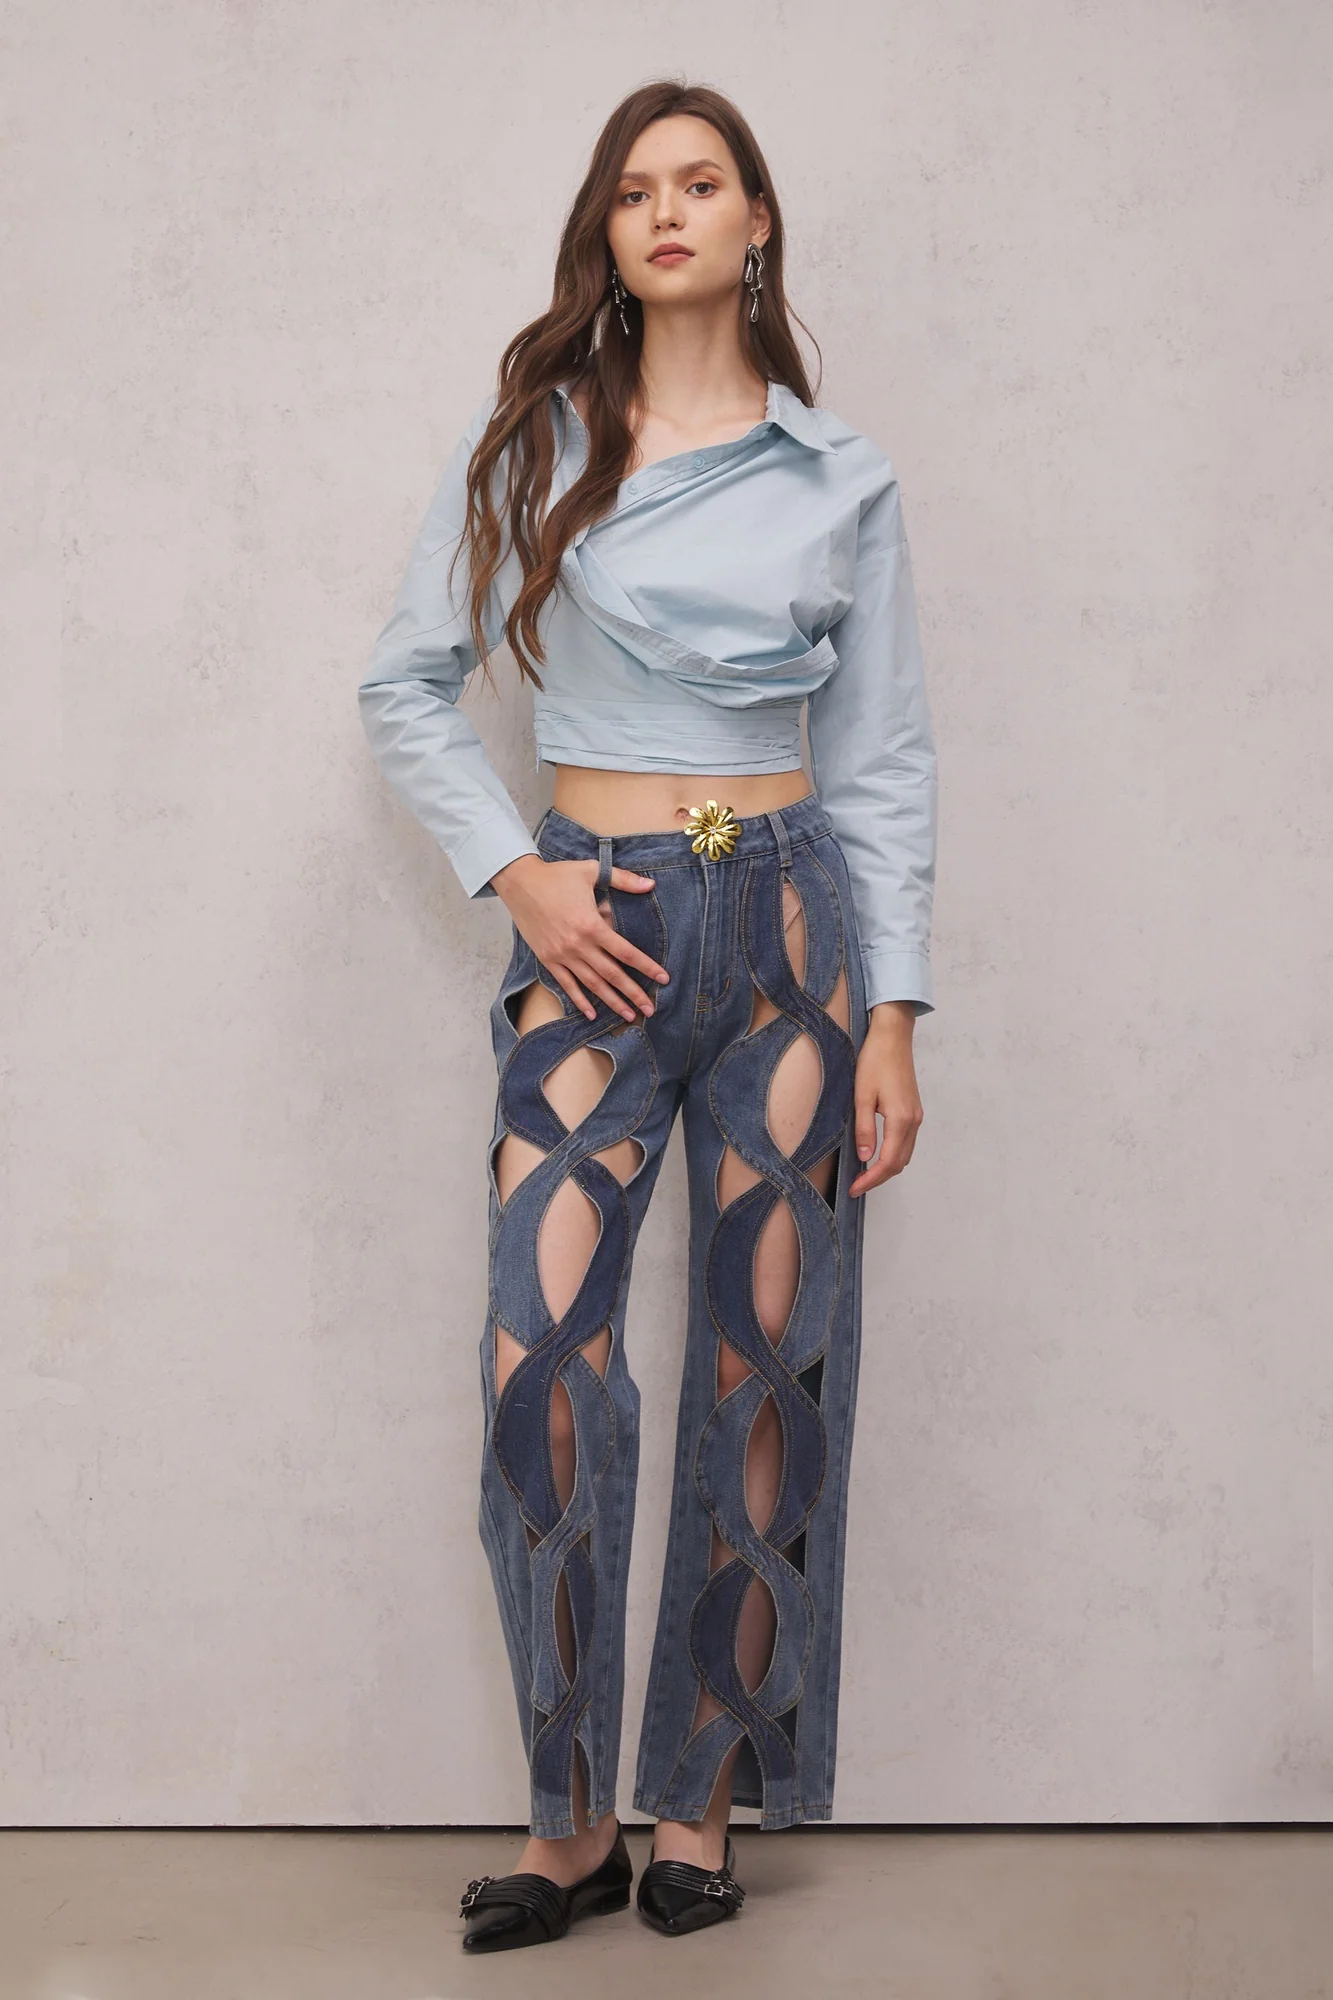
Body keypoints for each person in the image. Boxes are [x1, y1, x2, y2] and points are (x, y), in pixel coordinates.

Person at [357, 78, 938, 1952]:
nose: (667, 211)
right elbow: (405, 686)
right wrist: (516, 876)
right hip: (590, 925)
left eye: (702, 183)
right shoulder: (538, 445)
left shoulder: (840, 476)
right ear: (605, 235)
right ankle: (567, 1820)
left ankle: (696, 1803)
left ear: (757, 222)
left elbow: (882, 760)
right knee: (539, 1363)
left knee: (768, 1365)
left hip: (789, 926)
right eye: (634, 190)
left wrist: (895, 1013)